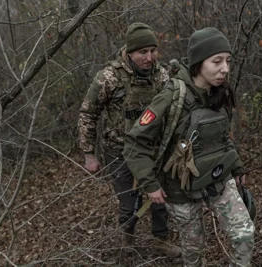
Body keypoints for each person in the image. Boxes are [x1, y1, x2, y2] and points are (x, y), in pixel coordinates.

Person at [124, 27, 255, 267]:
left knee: (244, 234)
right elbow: (135, 142)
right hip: (179, 187)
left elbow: (224, 136)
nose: (225, 68)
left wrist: (236, 167)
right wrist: (150, 184)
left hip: (218, 177)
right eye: (217, 61)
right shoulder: (172, 96)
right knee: (193, 251)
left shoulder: (220, 92)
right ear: (198, 62)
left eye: (227, 61)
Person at [78, 22, 181, 258]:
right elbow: (88, 113)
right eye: (142, 52)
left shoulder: (160, 74)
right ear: (130, 52)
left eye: (153, 51)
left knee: (160, 197)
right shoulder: (109, 77)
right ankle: (128, 239)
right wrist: (89, 154)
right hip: (120, 150)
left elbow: (172, 111)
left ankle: (161, 240)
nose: (149, 57)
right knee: (129, 202)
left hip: (153, 149)